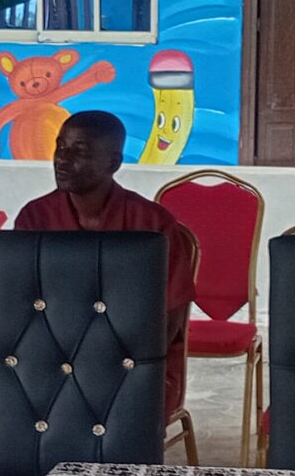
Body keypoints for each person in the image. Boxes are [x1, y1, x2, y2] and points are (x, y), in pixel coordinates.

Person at [15, 110, 196, 420]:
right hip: (55, 360)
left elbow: (170, 318)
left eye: (79, 151)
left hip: (136, 364)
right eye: (60, 146)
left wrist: (119, 364)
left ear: (113, 163)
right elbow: (21, 305)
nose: (62, 159)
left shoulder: (152, 223)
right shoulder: (35, 217)